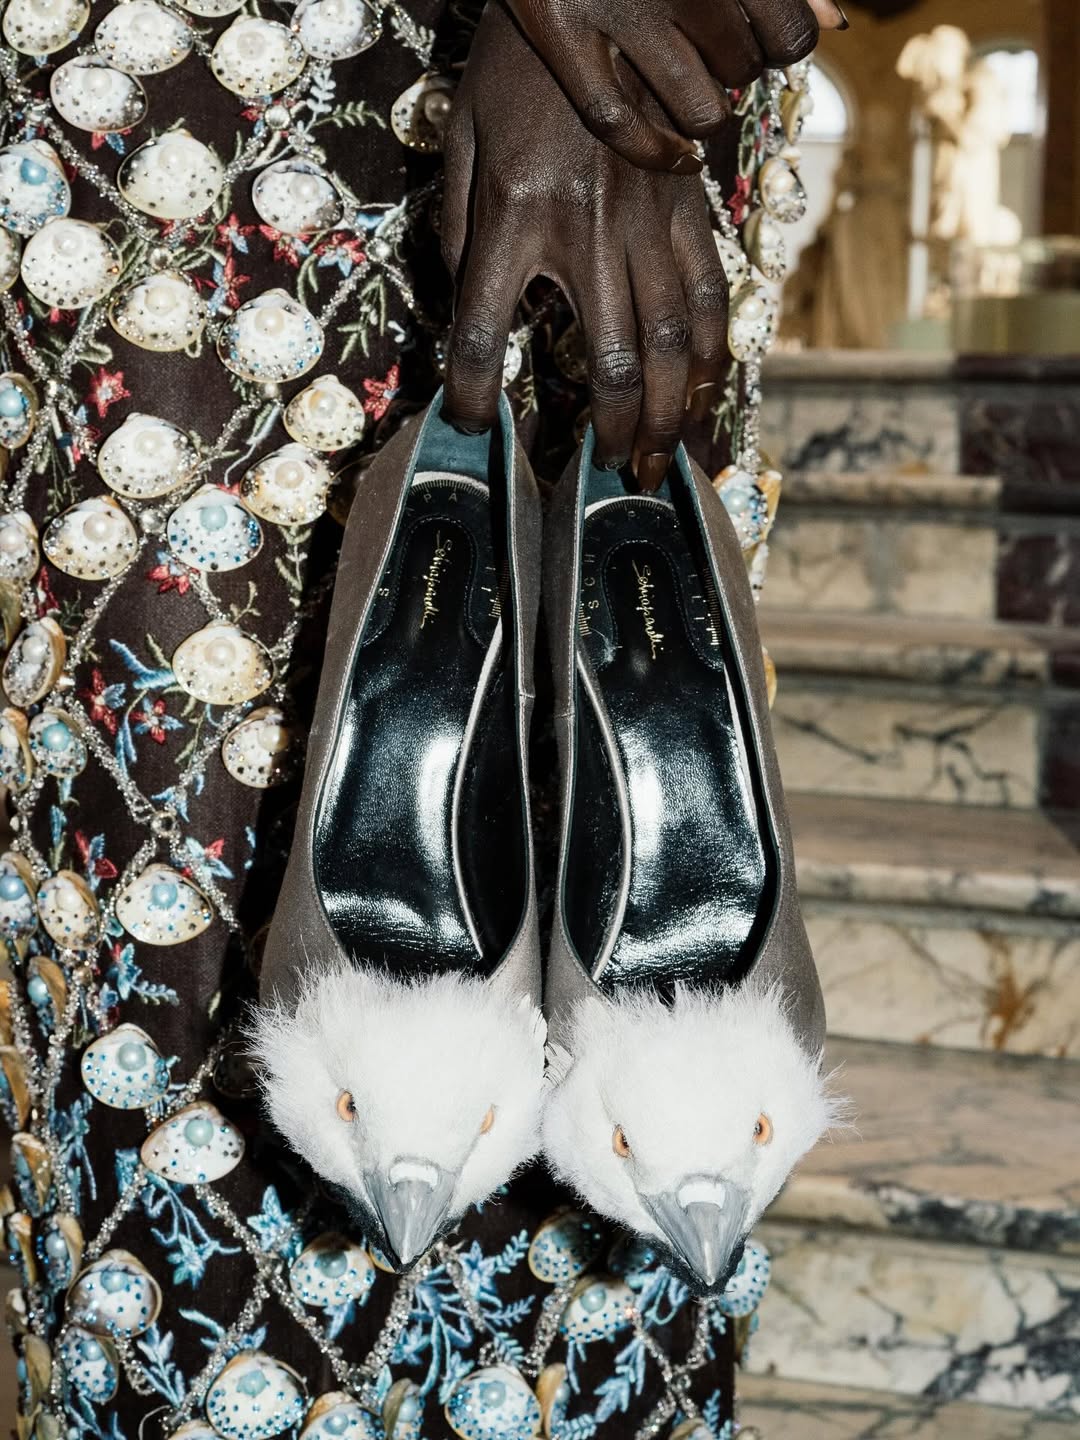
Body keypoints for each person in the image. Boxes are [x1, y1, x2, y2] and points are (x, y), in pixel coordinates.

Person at [0, 0, 844, 1434]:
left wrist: (618, 73)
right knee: (173, 971)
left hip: (617, 53)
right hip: (172, 89)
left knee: (637, 1038)